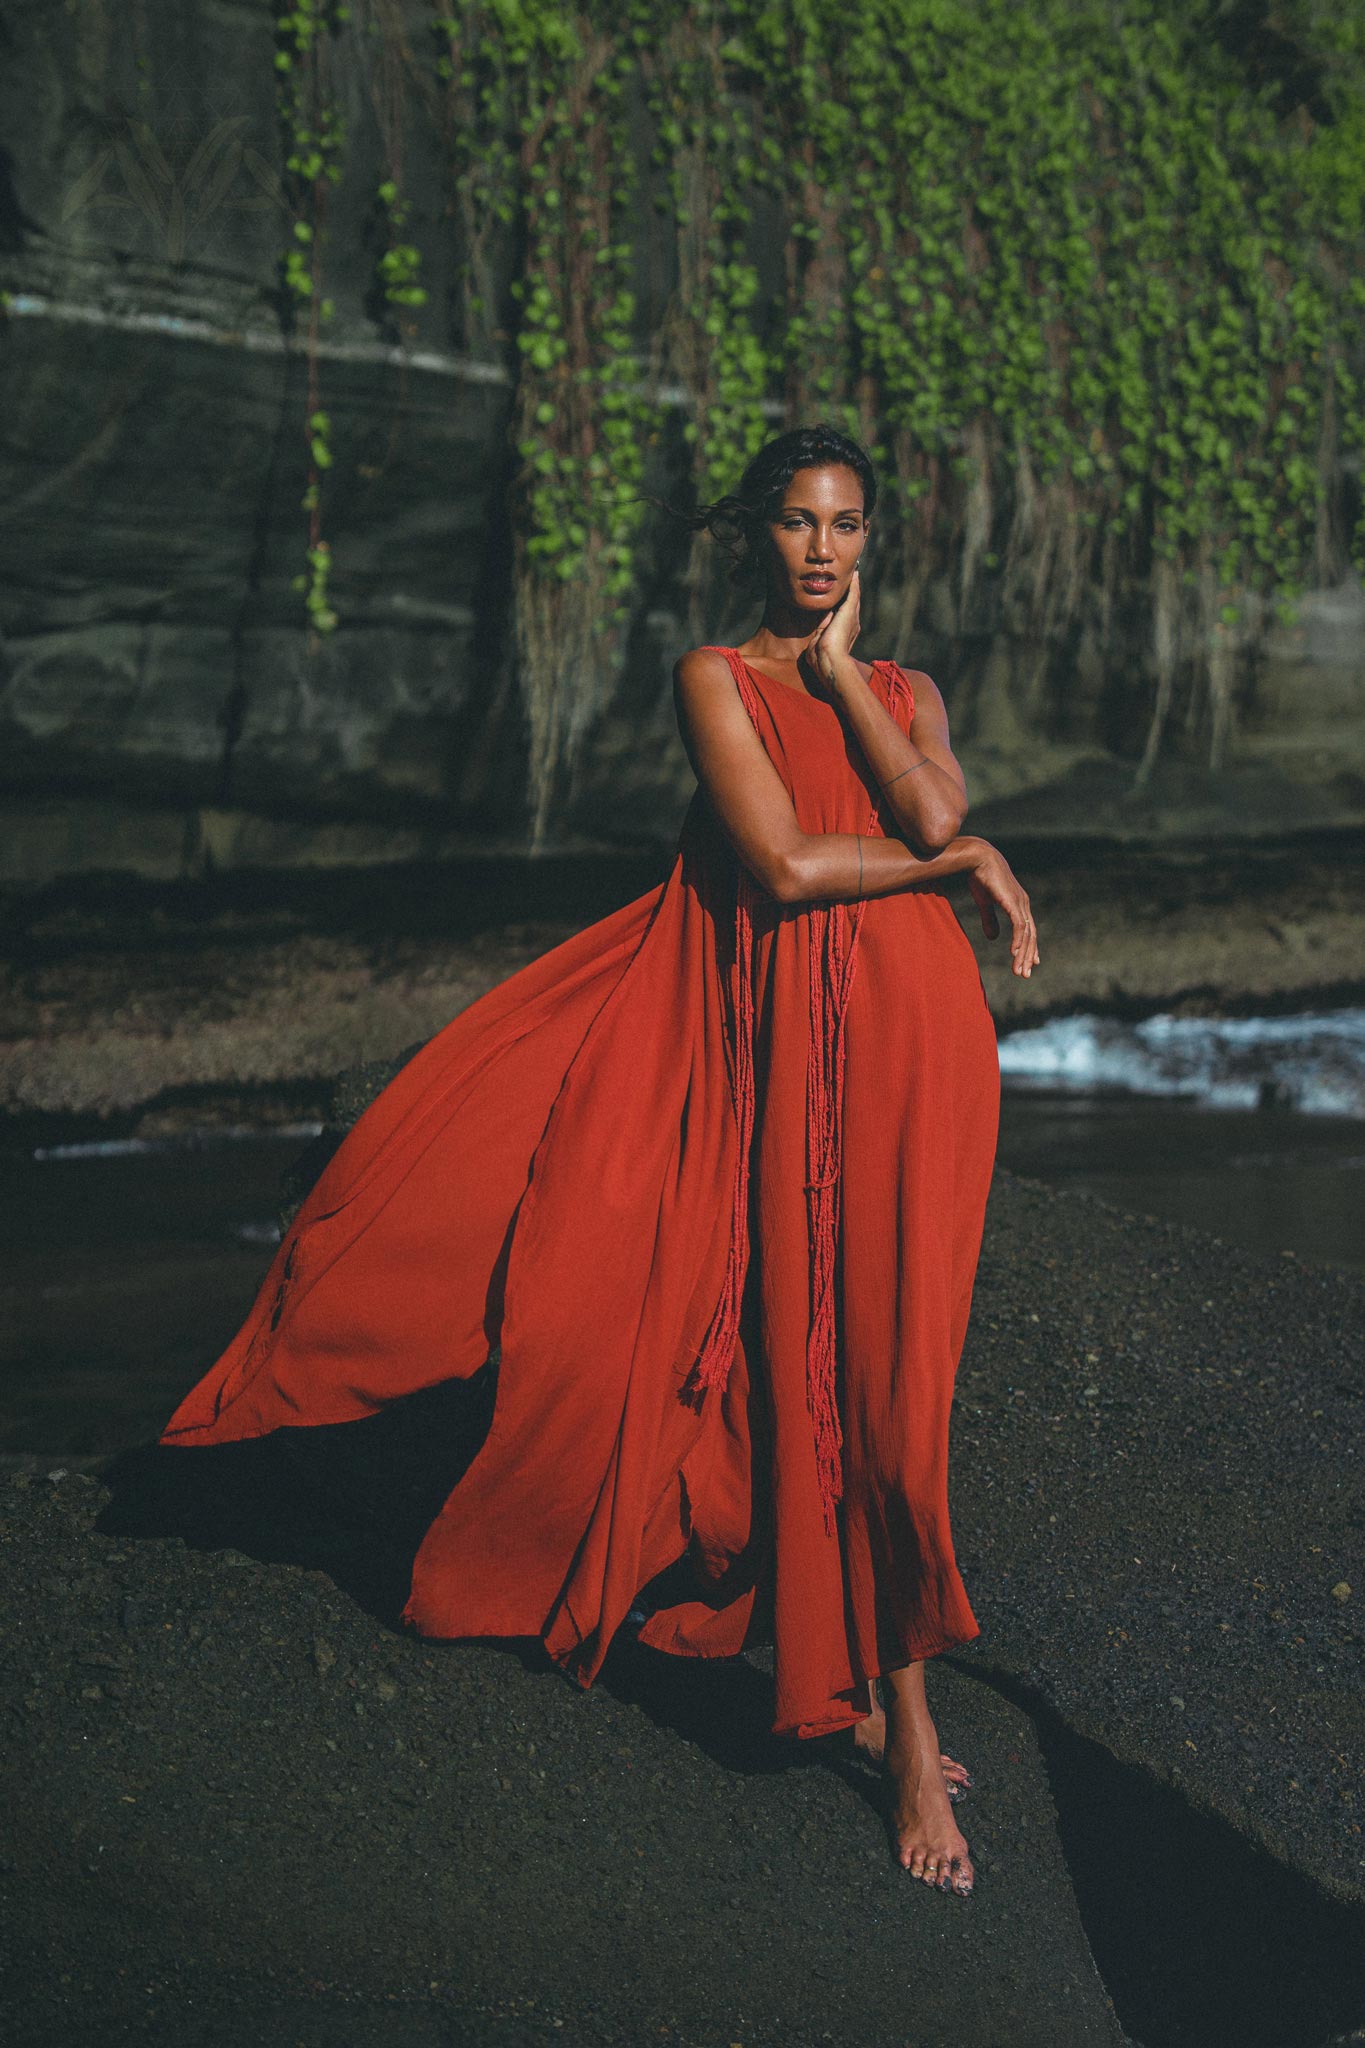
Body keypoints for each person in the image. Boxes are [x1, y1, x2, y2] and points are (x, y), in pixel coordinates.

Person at [160, 423, 1039, 1902]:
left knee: (897, 1375)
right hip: (780, 1061)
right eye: (796, 523)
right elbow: (783, 865)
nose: (821, 550)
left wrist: (850, 696)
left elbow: (935, 807)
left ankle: (894, 1711)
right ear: (753, 533)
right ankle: (897, 1723)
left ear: (871, 543)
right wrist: (953, 866)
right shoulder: (715, 678)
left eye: (846, 527)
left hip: (914, 1058)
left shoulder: (900, 689)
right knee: (796, 1357)